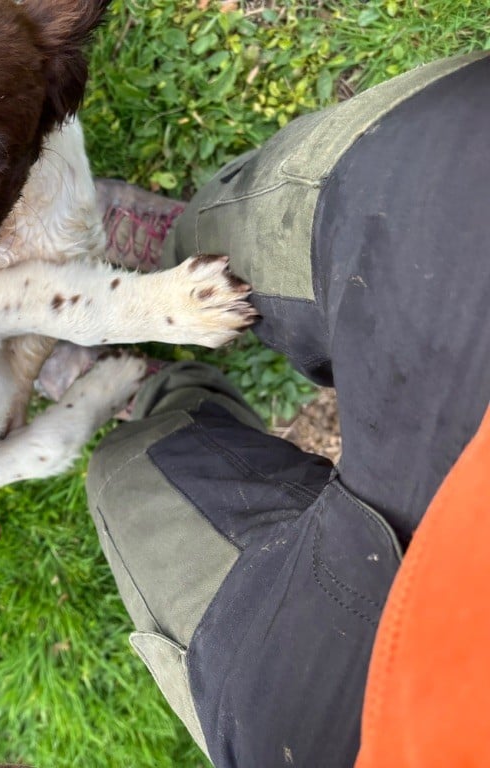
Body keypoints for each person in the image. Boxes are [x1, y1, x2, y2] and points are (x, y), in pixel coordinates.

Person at [85, 50, 490, 767]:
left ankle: (149, 387)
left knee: (131, 476)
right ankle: (182, 256)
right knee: (341, 208)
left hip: (362, 721)